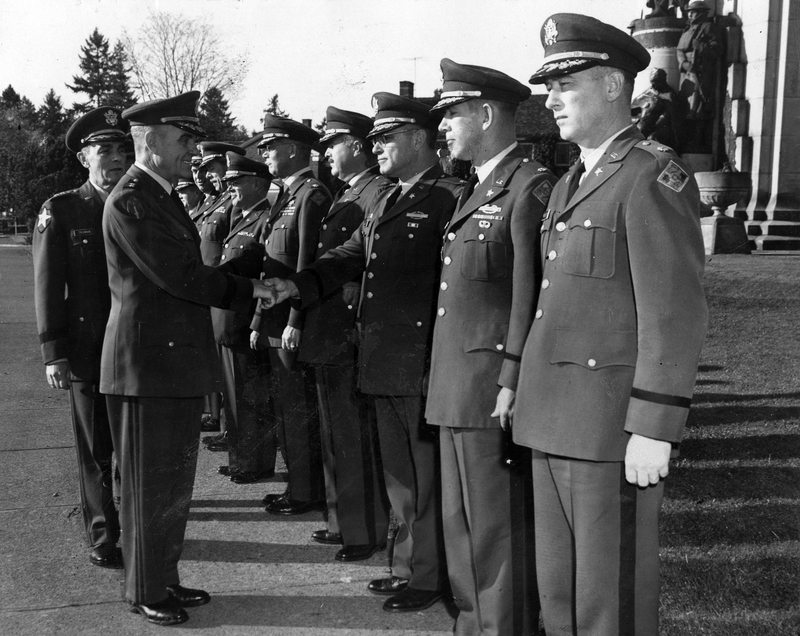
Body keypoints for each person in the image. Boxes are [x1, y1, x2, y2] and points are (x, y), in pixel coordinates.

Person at [518, 14, 708, 635]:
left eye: (564, 85)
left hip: (608, 428)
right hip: (551, 418)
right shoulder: (574, 178)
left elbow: (673, 311)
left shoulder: (650, 174)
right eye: (549, 87)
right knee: (561, 595)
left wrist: (655, 424)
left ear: (611, 85)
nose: (550, 100)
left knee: (611, 602)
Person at [258, 92, 462, 613]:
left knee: (423, 474)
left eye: (386, 138)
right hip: (384, 357)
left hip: (418, 359)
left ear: (419, 139)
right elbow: (351, 256)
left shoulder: (449, 198)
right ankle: (409, 566)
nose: (378, 148)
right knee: (401, 475)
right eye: (374, 139)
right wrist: (294, 288)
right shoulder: (392, 198)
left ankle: (430, 575)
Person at [101, 91, 274, 626]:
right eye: (183, 140)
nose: (192, 152)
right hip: (146, 368)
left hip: (167, 365)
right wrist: (251, 291)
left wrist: (244, 274)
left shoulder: (162, 194)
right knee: (151, 484)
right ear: (150, 141)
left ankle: (164, 578)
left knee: (173, 483)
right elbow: (180, 276)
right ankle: (145, 589)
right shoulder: (132, 199)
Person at [428, 58, 557, 636]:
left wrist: (510, 381)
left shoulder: (528, 188)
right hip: (456, 386)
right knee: (461, 523)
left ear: (485, 114)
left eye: (452, 115)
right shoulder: (476, 188)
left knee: (494, 525)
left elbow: (530, 297)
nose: (444, 128)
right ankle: (474, 624)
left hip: (488, 389)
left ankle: (500, 628)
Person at [32, 107, 129, 570]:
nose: (116, 158)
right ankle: (103, 534)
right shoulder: (64, 209)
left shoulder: (136, 203)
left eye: (122, 149)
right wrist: (54, 352)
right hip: (89, 348)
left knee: (132, 446)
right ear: (83, 158)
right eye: (104, 149)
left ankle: (138, 529)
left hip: (135, 349)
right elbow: (48, 285)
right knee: (95, 450)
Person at [301, 106, 392, 561]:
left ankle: (363, 530)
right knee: (337, 431)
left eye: (333, 144)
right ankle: (343, 520)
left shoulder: (376, 191)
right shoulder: (348, 192)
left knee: (352, 435)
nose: (327, 152)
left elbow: (364, 260)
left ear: (356, 146)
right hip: (329, 327)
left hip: (347, 329)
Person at [250, 115, 331, 515]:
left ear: (295, 150)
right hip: (273, 318)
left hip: (290, 322)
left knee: (297, 409)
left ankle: (305, 491)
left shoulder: (312, 196)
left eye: (271, 146)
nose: (264, 152)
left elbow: (305, 265)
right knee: (285, 406)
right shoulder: (285, 195)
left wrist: (294, 321)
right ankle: (296, 485)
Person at [213, 152, 279, 485]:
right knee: (234, 397)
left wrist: (257, 322)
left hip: (244, 325)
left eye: (236, 182)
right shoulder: (241, 218)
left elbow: (266, 275)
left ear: (257, 183)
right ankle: (240, 458)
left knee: (252, 400)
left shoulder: (265, 220)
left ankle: (256, 462)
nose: (231, 189)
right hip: (228, 324)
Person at [196, 141, 246, 443]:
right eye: (208, 172)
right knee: (219, 366)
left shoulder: (233, 203)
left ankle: (229, 428)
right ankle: (224, 424)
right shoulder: (215, 202)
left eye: (214, 170)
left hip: (226, 292)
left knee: (231, 368)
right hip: (210, 291)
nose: (210, 177)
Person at [676, 0, 722, 151]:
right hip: (687, 73)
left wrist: (701, 46)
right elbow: (680, 51)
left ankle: (698, 142)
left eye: (693, 11)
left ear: (702, 13)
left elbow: (717, 49)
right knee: (686, 106)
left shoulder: (708, 28)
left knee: (699, 108)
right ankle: (688, 141)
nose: (690, 14)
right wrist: (683, 63)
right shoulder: (687, 30)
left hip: (701, 72)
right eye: (689, 11)